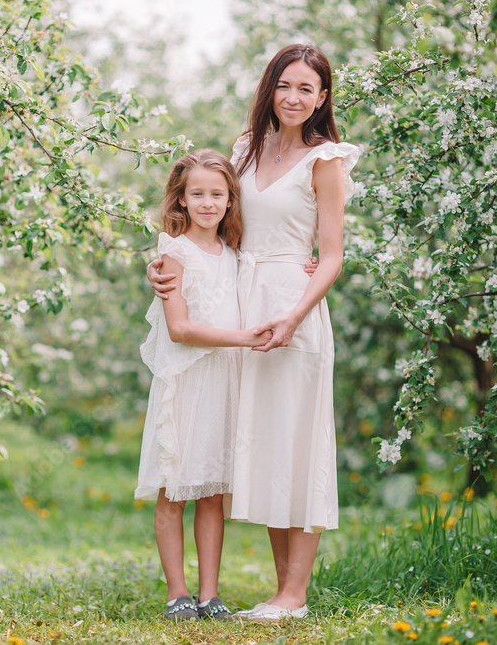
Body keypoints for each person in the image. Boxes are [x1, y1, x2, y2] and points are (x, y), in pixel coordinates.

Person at [147, 44, 361, 622]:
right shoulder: (247, 150)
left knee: (299, 442)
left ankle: (296, 593)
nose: (294, 98)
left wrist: (293, 314)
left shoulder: (326, 161)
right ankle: (278, 590)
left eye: (307, 89)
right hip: (242, 304)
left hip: (292, 308)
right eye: (285, 86)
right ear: (270, 90)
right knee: (266, 445)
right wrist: (166, 263)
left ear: (322, 98)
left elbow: (334, 255)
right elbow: (214, 223)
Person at [136, 148, 273, 622]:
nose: (208, 203)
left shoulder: (236, 256)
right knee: (175, 488)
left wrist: (308, 266)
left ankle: (209, 594)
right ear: (182, 200)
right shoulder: (173, 253)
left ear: (231, 200)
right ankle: (178, 593)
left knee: (212, 491)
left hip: (224, 384)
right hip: (187, 382)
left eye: (217, 194)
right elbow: (180, 329)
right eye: (197, 194)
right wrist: (241, 339)